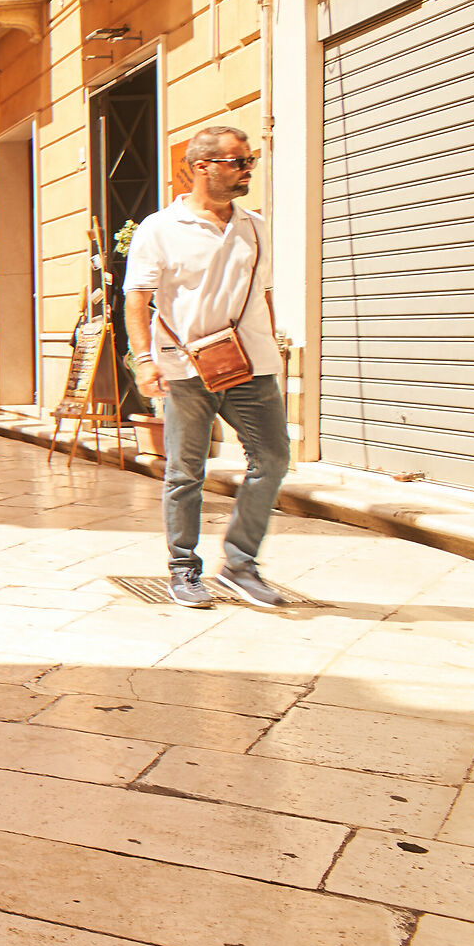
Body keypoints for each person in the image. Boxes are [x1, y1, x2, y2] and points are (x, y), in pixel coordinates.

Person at [123, 125, 290, 609]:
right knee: (185, 472)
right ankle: (183, 569)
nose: (247, 171)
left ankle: (240, 565)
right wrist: (144, 361)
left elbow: (264, 294)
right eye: (238, 162)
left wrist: (273, 352)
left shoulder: (254, 225)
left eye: (249, 161)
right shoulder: (160, 228)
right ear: (203, 167)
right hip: (185, 365)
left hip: (251, 363)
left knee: (273, 460)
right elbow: (138, 298)